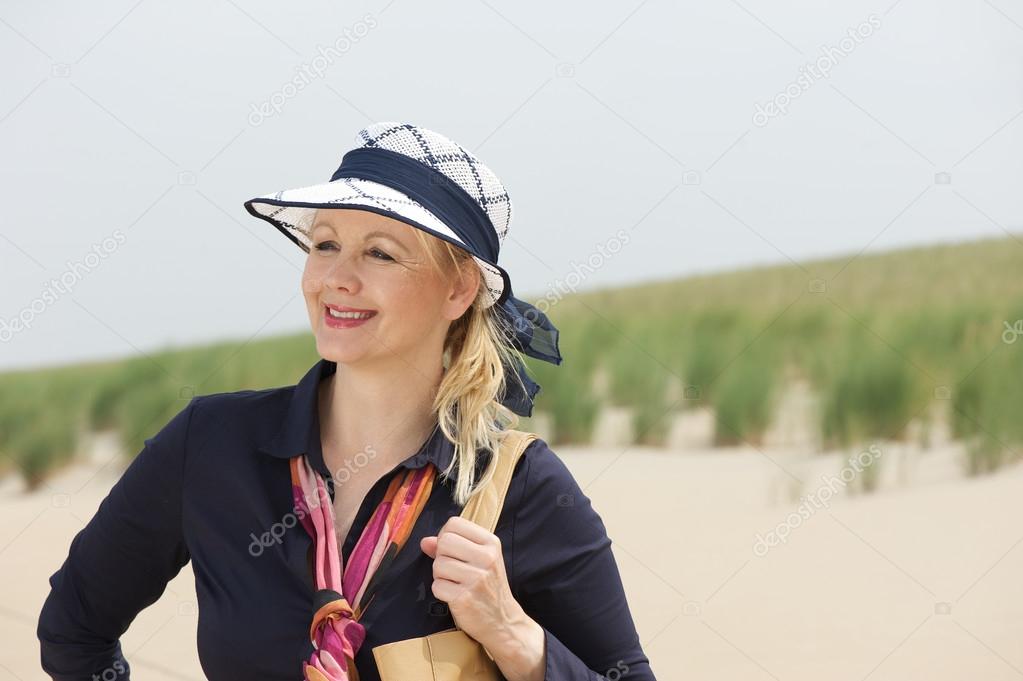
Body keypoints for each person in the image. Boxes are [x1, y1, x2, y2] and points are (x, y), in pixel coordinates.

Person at [37, 122, 658, 681]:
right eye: (325, 244)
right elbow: (73, 633)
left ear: (458, 289)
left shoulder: (522, 488)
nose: (336, 277)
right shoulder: (211, 443)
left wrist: (518, 639)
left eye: (380, 253)